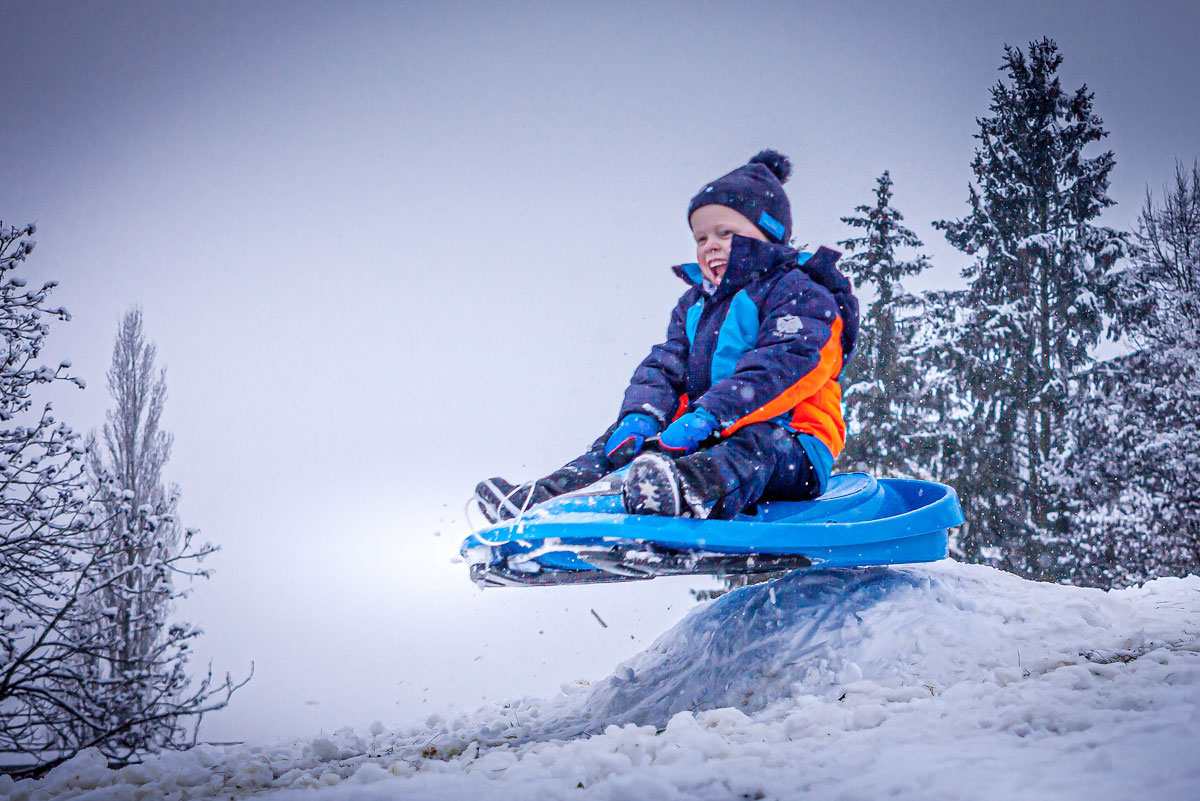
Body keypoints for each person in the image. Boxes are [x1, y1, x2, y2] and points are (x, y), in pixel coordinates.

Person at [476, 150, 858, 522]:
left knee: (757, 444)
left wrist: (711, 415)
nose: (709, 245)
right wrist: (641, 417)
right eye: (701, 237)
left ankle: (682, 492)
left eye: (725, 232)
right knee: (622, 443)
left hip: (795, 443)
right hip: (709, 436)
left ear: (769, 235)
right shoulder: (695, 305)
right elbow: (664, 366)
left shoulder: (800, 291)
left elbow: (788, 363)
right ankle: (544, 499)